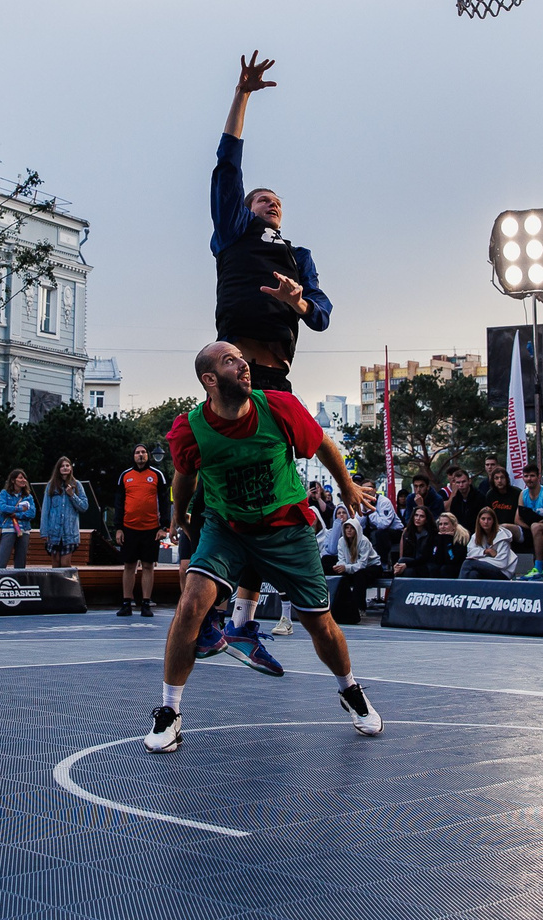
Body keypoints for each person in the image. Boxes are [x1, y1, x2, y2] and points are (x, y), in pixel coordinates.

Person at [149, 341, 380, 753]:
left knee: (320, 624)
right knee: (191, 604)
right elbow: (184, 473)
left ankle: (350, 689)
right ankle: (169, 711)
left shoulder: (278, 407)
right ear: (209, 380)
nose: (243, 365)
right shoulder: (190, 429)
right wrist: (178, 514)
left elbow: (323, 445)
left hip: (286, 527)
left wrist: (347, 487)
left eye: (242, 357)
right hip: (228, 527)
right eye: (230, 360)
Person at [208, 51, 332, 395]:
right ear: (247, 209)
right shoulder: (235, 230)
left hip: (278, 378)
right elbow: (227, 167)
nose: (272, 203)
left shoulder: (298, 256)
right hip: (237, 374)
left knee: (294, 430)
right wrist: (242, 95)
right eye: (263, 199)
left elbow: (321, 316)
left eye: (277, 201)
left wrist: (297, 301)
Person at [112, 444, 171, 617]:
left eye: (143, 452)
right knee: (129, 566)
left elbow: (165, 502)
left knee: (148, 565)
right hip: (129, 528)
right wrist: (118, 528)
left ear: (148, 455)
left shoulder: (157, 475)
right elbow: (119, 503)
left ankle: (146, 603)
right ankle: (126, 603)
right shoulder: (125, 476)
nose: (140, 455)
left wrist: (164, 527)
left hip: (151, 529)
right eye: (137, 452)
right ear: (133, 456)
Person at [326, 517, 385, 623]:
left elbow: (362, 564)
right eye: (347, 528)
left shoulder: (364, 541)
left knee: (360, 575)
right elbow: (341, 559)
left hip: (372, 567)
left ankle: (359, 608)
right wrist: (339, 567)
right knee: (329, 563)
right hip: (352, 566)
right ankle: (340, 606)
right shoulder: (341, 541)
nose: (349, 530)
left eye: (352, 528)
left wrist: (345, 568)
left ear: (357, 529)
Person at [40, 456, 88, 568]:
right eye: (62, 466)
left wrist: (72, 495)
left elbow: (84, 507)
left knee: (65, 563)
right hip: (54, 532)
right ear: (58, 469)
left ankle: (68, 580)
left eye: (67, 465)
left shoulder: (77, 484)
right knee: (56, 563)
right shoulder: (51, 485)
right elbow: (45, 509)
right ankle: (56, 581)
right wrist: (44, 532)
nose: (65, 468)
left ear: (71, 468)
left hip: (69, 532)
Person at [460, 505, 516, 581]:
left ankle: (458, 587)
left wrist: (478, 560)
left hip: (502, 572)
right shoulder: (475, 536)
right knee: (473, 574)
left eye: (489, 519)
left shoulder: (503, 537)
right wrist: (485, 551)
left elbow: (502, 563)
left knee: (468, 563)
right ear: (479, 521)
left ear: (493, 521)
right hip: (486, 570)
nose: (486, 522)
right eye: (483, 519)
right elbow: (470, 553)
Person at [515, 462, 543, 566]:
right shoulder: (523, 494)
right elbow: (517, 519)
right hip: (529, 528)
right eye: (526, 476)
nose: (529, 479)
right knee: (505, 527)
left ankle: (538, 566)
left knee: (536, 527)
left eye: (532, 476)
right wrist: (530, 527)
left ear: (538, 477)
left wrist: (539, 524)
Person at [0, 469, 35, 569]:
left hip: (24, 530)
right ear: (13, 480)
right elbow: (3, 508)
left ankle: (19, 578)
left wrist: (16, 515)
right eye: (20, 478)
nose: (23, 480)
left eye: (24, 478)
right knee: (2, 560)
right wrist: (20, 509)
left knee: (20, 562)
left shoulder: (28, 497)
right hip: (8, 528)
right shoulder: (4, 493)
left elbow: (32, 513)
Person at [393, 505, 439, 578]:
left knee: (406, 568)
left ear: (426, 519)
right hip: (412, 563)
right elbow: (404, 554)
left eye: (422, 516)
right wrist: (398, 565)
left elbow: (425, 558)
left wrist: (406, 565)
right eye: (416, 515)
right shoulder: (408, 532)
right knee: (404, 565)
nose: (418, 518)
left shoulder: (432, 534)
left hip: (425, 564)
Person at [363, 483, 402, 564]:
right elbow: (358, 523)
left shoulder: (384, 502)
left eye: (369, 488)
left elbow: (383, 524)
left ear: (375, 490)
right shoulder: (362, 502)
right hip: (373, 530)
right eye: (364, 489)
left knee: (380, 533)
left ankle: (383, 563)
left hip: (394, 531)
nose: (367, 491)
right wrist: (363, 510)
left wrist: (370, 510)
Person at [443, 467, 487, 532]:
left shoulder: (480, 497)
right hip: (460, 532)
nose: (461, 485)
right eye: (458, 482)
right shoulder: (455, 499)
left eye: (463, 482)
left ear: (469, 481)